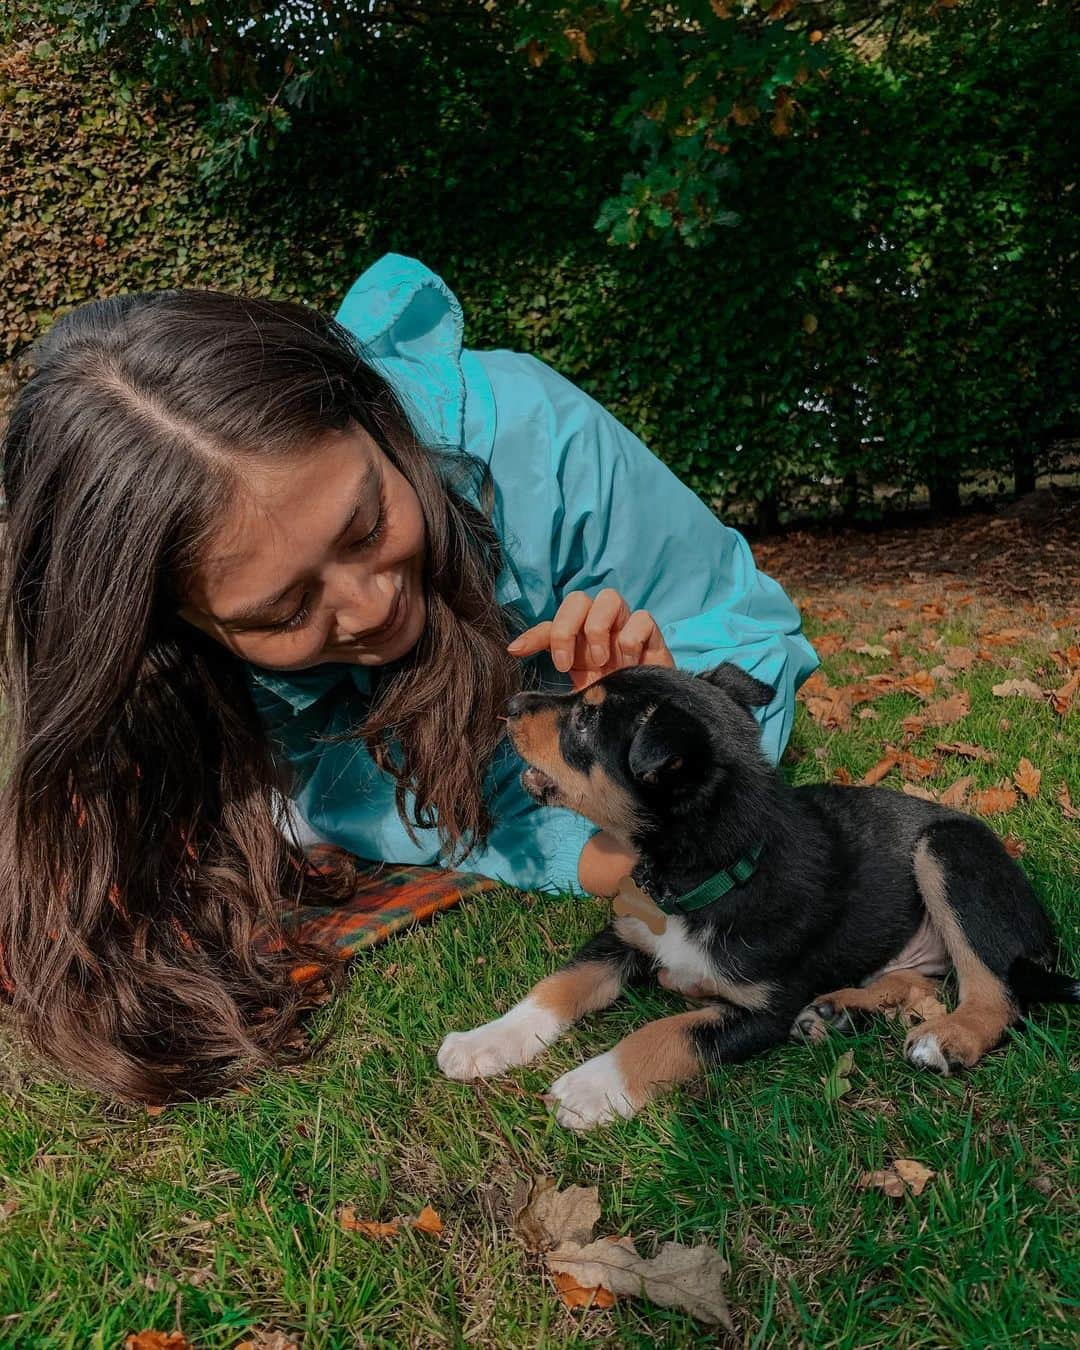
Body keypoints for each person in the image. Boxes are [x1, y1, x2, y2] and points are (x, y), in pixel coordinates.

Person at [0, 254, 818, 1103]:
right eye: (284, 613)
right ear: (170, 636)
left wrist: (675, 716)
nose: (373, 603)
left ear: (372, 415)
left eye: (367, 525)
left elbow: (747, 624)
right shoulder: (169, 694)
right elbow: (337, 791)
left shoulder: (539, 436)